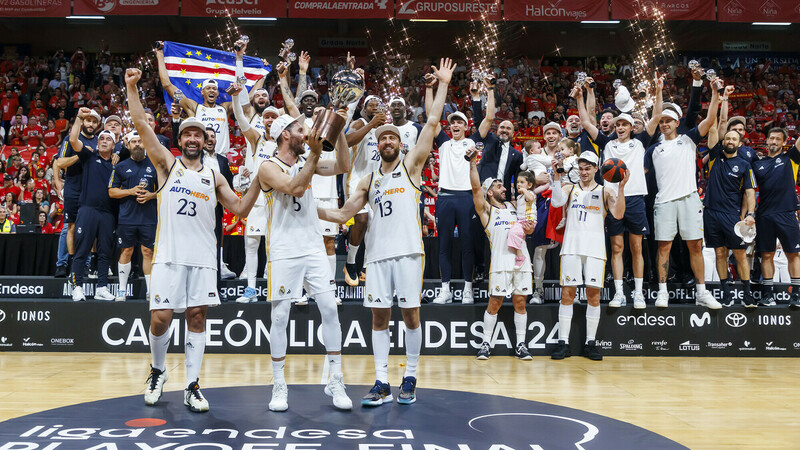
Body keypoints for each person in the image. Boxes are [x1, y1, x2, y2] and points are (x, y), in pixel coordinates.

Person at [318, 57, 455, 407]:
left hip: (409, 252)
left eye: (392, 136)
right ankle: (381, 380)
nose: (387, 141)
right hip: (377, 257)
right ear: (378, 146)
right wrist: (309, 211)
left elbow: (434, 121)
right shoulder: (368, 178)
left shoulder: (412, 167)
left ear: (401, 143)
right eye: (383, 139)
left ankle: (410, 375)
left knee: (411, 315)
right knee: (379, 317)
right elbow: (345, 212)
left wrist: (441, 85)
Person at [126, 68, 260, 413]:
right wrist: (131, 87)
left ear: (206, 141)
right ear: (181, 139)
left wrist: (261, 178)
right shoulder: (167, 165)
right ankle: (158, 371)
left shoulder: (215, 175)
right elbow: (142, 125)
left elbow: (241, 209)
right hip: (169, 255)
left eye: (199, 135)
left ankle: (192, 385)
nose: (192, 139)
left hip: (203, 258)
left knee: (197, 319)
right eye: (188, 134)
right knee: (160, 318)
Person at [257, 110, 352, 412]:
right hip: (284, 250)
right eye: (301, 129)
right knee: (280, 317)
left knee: (330, 311)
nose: (307, 133)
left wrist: (340, 129)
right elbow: (296, 187)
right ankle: (278, 385)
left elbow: (344, 165)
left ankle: (335, 379)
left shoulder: (305, 160)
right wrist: (313, 152)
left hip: (313, 247)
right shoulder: (268, 167)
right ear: (286, 134)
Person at [575, 75, 662, 309]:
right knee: (616, 247)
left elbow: (655, 117)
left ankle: (640, 293)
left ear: (631, 127)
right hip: (612, 200)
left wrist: (659, 89)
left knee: (636, 247)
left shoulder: (641, 141)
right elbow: (586, 122)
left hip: (635, 199)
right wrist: (580, 98)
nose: (621, 128)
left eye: (625, 124)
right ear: (615, 127)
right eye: (618, 125)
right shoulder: (607, 144)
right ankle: (619, 293)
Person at [645, 77, 724, 310]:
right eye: (662, 121)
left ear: (677, 122)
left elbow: (710, 119)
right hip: (664, 202)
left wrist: (716, 94)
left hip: (689, 198)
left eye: (669, 121)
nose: (664, 124)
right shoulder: (653, 149)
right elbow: (641, 174)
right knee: (663, 248)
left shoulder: (688, 139)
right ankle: (662, 292)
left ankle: (702, 292)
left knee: (695, 246)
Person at [550, 151, 627, 361]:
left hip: (594, 249)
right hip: (571, 247)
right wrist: (557, 176)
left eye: (587, 168)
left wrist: (621, 187)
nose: (583, 172)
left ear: (596, 169)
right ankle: (563, 343)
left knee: (593, 296)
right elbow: (556, 202)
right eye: (581, 169)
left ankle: (590, 343)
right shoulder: (569, 187)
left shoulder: (605, 191)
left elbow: (618, 214)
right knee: (567, 294)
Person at [468, 153, 535, 360]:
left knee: (521, 302)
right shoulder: (487, 212)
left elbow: (529, 229)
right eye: (499, 186)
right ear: (489, 192)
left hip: (522, 262)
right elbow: (475, 189)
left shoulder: (516, 207)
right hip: (500, 264)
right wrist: (472, 165)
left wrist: (530, 228)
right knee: (495, 302)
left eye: (503, 186)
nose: (504, 188)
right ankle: (486, 343)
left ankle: (521, 345)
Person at [230, 78, 283, 302]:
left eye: (274, 116)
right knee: (252, 244)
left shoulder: (287, 143)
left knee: (275, 246)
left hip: (278, 201)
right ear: (262, 120)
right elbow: (241, 119)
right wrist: (235, 96)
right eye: (267, 117)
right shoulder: (256, 140)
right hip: (256, 200)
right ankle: (250, 288)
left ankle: (275, 286)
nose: (270, 119)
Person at [430, 80, 478, 304]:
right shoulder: (444, 143)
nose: (455, 125)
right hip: (445, 197)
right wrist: (431, 89)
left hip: (467, 197)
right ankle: (445, 289)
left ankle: (468, 288)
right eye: (452, 123)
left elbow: (485, 121)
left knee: (468, 244)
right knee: (444, 245)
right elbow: (432, 115)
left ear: (466, 126)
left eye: (459, 122)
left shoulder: (472, 143)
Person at [704, 118, 757, 307]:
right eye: (727, 139)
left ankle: (747, 294)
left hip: (732, 215)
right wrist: (718, 98)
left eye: (734, 139)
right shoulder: (714, 157)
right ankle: (726, 294)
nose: (730, 142)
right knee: (719, 253)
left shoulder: (745, 165)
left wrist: (751, 213)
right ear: (723, 142)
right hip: (711, 214)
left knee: (740, 254)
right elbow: (714, 128)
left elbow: (750, 192)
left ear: (739, 143)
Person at [67, 110, 117, 302]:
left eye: (108, 139)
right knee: (82, 250)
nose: (104, 141)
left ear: (113, 145)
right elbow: (73, 141)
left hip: (108, 213)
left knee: (105, 252)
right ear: (98, 142)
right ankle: (77, 287)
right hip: (87, 210)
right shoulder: (88, 156)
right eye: (101, 138)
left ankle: (102, 288)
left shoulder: (116, 165)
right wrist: (79, 118)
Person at [751, 128, 800, 307]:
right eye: (771, 138)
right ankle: (768, 295)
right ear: (767, 140)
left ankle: (796, 294)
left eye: (778, 139)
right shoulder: (757, 164)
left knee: (793, 254)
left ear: (784, 142)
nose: (773, 141)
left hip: (786, 213)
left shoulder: (791, 158)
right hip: (764, 215)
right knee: (766, 255)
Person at [108, 131, 157, 302]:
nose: (137, 144)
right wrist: (130, 191)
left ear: (145, 144)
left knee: (148, 251)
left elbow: (165, 189)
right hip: (127, 217)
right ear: (128, 145)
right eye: (133, 142)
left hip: (149, 217)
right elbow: (111, 192)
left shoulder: (155, 164)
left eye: (140, 141)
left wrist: (152, 195)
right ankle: (122, 290)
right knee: (126, 251)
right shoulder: (120, 166)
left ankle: (150, 290)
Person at [52, 108, 99, 278]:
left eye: (94, 122)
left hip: (91, 190)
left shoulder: (100, 142)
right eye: (88, 121)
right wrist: (80, 155)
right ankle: (63, 264)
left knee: (88, 228)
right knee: (68, 226)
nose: (91, 124)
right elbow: (59, 162)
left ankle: (83, 264)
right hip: (73, 187)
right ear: (83, 122)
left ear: (97, 125)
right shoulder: (71, 139)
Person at [344, 94, 385, 286]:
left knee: (375, 226)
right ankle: (350, 262)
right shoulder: (359, 123)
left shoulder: (384, 130)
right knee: (362, 219)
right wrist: (371, 124)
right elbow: (348, 140)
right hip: (357, 180)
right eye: (371, 104)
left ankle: (367, 268)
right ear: (364, 108)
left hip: (377, 181)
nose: (375, 107)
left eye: (378, 105)